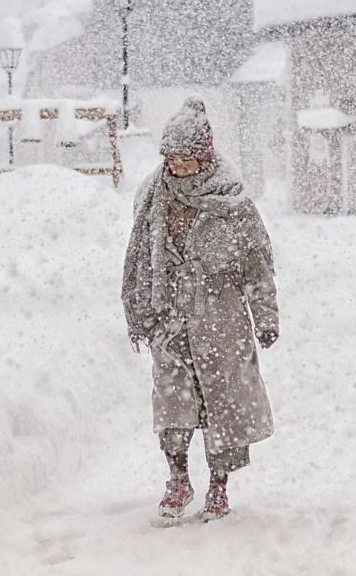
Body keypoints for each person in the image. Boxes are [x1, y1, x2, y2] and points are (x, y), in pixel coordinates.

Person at [121, 97, 279, 523]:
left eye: (186, 159)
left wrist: (265, 316)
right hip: (168, 318)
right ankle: (178, 478)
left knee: (221, 407)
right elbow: (138, 258)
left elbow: (256, 266)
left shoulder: (233, 202)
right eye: (170, 158)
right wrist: (143, 313)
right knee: (172, 403)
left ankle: (218, 486)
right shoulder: (151, 196)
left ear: (204, 156)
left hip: (220, 320)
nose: (177, 167)